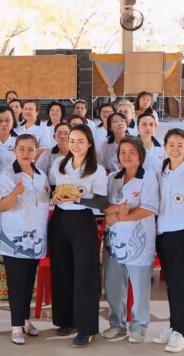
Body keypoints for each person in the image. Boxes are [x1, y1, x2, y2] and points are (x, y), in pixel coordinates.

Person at [49, 125, 108, 348]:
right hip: (60, 220)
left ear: (90, 143)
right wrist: (55, 197)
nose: (75, 145)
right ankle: (65, 320)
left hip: (83, 221)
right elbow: (53, 189)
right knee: (61, 271)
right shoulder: (59, 164)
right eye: (72, 140)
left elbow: (101, 202)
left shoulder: (96, 170)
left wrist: (78, 199)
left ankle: (87, 328)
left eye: (80, 141)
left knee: (85, 274)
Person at [102, 137, 159, 344]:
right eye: (122, 152)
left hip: (139, 242)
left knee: (140, 287)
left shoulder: (148, 177)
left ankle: (139, 327)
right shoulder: (112, 178)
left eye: (132, 152)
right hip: (115, 242)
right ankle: (116, 325)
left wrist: (118, 217)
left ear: (140, 156)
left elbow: (148, 209)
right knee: (113, 286)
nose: (126, 156)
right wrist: (115, 212)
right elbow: (104, 206)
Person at [152, 128, 184, 353]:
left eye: (180, 145)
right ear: (164, 147)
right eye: (171, 145)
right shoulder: (162, 171)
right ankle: (173, 327)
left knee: (178, 286)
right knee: (170, 285)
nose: (175, 149)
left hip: (182, 234)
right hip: (162, 234)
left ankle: (181, 333)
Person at [0, 134, 48, 345]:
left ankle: (25, 320)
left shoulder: (41, 175)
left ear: (36, 152)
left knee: (28, 282)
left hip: (36, 239)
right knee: (16, 283)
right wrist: (16, 192)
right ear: (15, 151)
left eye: (30, 149)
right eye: (22, 149)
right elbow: (2, 206)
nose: (26, 153)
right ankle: (16, 326)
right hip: (15, 240)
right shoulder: (7, 175)